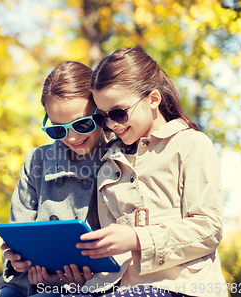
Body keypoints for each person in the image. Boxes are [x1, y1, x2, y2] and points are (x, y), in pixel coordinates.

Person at [64, 48, 226, 297]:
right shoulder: (108, 160)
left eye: (119, 113)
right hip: (114, 287)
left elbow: (208, 229)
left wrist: (137, 238)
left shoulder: (191, 144)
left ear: (153, 99)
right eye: (103, 117)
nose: (112, 124)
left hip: (180, 286)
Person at [0, 61, 113, 297]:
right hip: (26, 285)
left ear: (101, 112)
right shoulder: (37, 161)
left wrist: (85, 279)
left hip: (94, 288)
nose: (73, 138)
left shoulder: (120, 157)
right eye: (58, 129)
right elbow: (19, 230)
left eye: (82, 124)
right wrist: (16, 260)